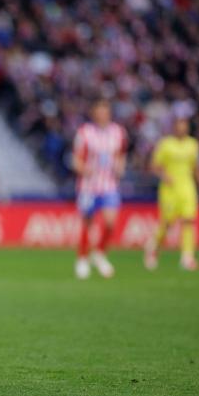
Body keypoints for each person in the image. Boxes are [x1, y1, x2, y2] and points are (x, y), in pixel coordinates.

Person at [71, 100, 127, 280]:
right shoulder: (85, 133)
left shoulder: (118, 132)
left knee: (110, 222)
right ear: (94, 114)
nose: (102, 115)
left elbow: (121, 155)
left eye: (105, 111)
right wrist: (84, 169)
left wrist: (120, 167)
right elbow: (76, 160)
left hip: (109, 185)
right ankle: (82, 258)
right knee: (87, 223)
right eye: (99, 112)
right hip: (88, 186)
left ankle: (100, 253)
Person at [144, 114, 199, 270]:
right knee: (167, 223)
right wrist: (164, 176)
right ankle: (153, 247)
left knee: (189, 221)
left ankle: (187, 257)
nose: (181, 128)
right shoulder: (165, 144)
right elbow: (154, 165)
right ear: (174, 127)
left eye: (184, 124)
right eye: (179, 124)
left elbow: (196, 168)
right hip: (169, 189)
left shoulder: (193, 144)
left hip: (187, 188)